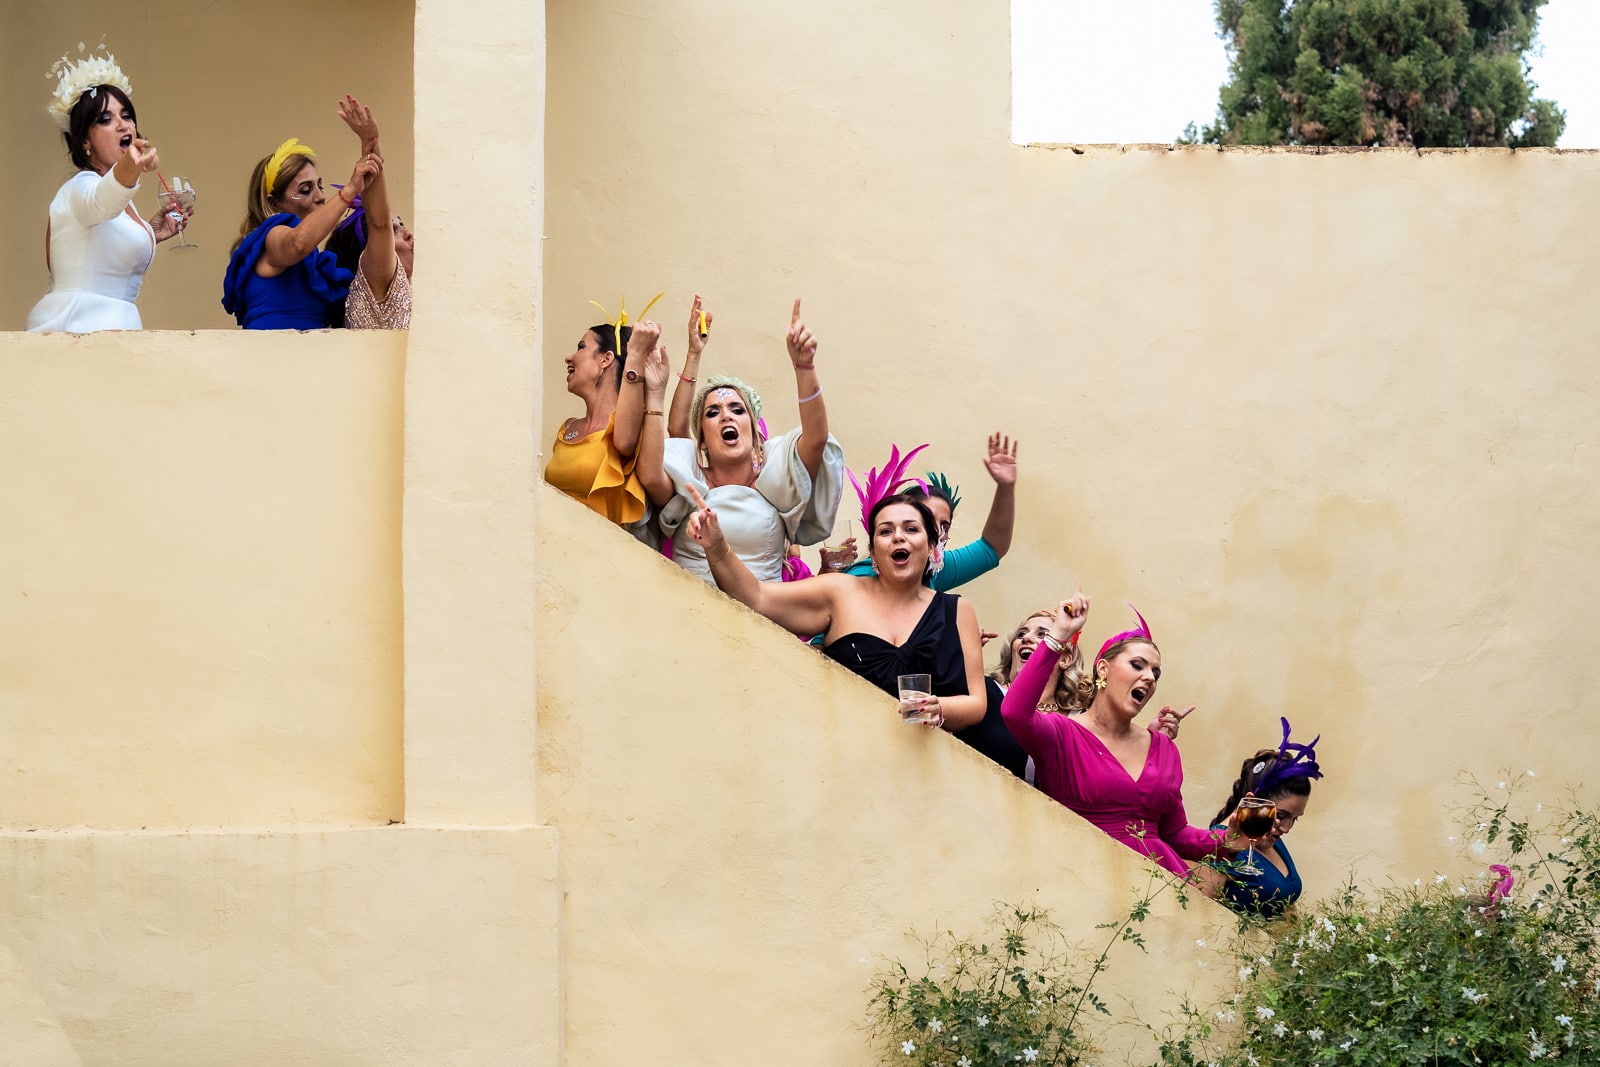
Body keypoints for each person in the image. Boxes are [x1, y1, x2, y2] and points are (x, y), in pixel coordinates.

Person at [686, 487, 988, 731]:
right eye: (885, 531)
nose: (898, 536)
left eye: (911, 529)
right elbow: (755, 597)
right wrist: (716, 547)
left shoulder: (958, 610)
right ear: (873, 552)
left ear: (932, 546)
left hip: (928, 774)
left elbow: (977, 703)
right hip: (838, 755)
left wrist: (939, 708)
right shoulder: (840, 591)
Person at [1001, 597, 1244, 876]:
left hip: (1156, 892)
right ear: (1103, 668)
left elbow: (1175, 833)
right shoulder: (1061, 733)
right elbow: (1014, 712)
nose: (1150, 677)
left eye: (1156, 672)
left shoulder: (1163, 748)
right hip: (1080, 879)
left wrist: (1227, 839)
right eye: (1138, 665)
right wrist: (1058, 636)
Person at [640, 299, 845, 582]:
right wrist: (656, 392)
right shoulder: (690, 478)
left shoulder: (776, 480)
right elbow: (652, 473)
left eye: (737, 410)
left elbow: (816, 439)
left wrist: (804, 368)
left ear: (753, 429)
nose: (726, 416)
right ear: (701, 441)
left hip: (761, 621)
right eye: (713, 413)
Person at [27, 46, 191, 332]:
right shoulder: (80, 188)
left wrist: (152, 233)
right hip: (78, 329)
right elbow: (101, 203)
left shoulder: (124, 199)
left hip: (118, 332)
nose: (122, 125)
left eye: (126, 116)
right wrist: (132, 165)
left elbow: (102, 242)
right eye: (105, 119)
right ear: (84, 143)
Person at [222, 113, 383, 329]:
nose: (320, 196)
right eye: (305, 190)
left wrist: (370, 144)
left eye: (320, 186)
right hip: (272, 358)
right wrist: (350, 190)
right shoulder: (271, 238)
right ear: (275, 203)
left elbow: (380, 224)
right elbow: (297, 243)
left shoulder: (314, 260)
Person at [840, 436, 1017, 592]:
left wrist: (1006, 487)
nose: (938, 532)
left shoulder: (932, 571)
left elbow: (991, 548)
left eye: (944, 526)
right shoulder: (858, 580)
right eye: (926, 520)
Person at [544, 305, 663, 528]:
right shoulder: (567, 428)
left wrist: (636, 355)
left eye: (581, 347)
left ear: (605, 359)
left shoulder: (628, 429)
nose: (569, 358)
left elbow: (625, 442)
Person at [1194, 719, 1322, 917]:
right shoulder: (1218, 845)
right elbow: (1201, 914)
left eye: (1295, 819)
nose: (1286, 828)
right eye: (1281, 816)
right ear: (1252, 802)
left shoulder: (1271, 840)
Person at [322, 96, 413, 329]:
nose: (408, 234)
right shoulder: (377, 283)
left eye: (401, 225)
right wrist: (371, 143)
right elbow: (379, 223)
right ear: (367, 254)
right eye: (395, 231)